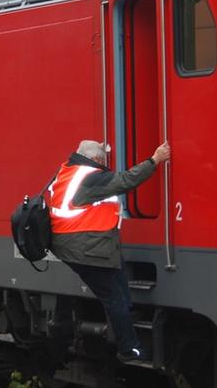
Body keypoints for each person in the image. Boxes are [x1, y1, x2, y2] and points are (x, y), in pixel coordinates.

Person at [46, 138, 171, 362]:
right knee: (115, 298)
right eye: (102, 160)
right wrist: (154, 160)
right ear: (94, 159)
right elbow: (125, 181)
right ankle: (128, 348)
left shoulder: (68, 171)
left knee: (120, 289)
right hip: (85, 249)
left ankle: (124, 325)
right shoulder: (89, 176)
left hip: (79, 246)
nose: (104, 164)